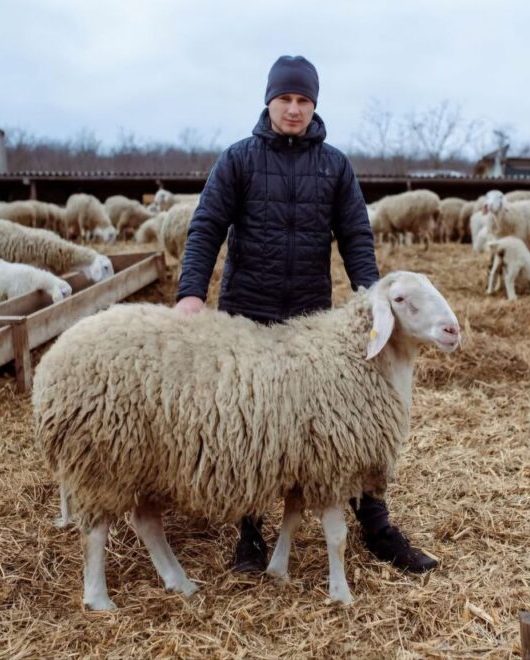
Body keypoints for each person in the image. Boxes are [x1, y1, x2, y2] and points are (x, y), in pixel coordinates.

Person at [174, 55, 437, 574]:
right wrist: (190, 293)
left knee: (348, 423)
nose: (293, 109)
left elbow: (357, 235)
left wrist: (372, 302)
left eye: (303, 100)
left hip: (312, 319)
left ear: (314, 104)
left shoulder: (334, 165)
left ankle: (375, 524)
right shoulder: (238, 160)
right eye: (285, 99)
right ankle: (250, 530)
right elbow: (206, 225)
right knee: (252, 423)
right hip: (249, 313)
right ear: (269, 100)